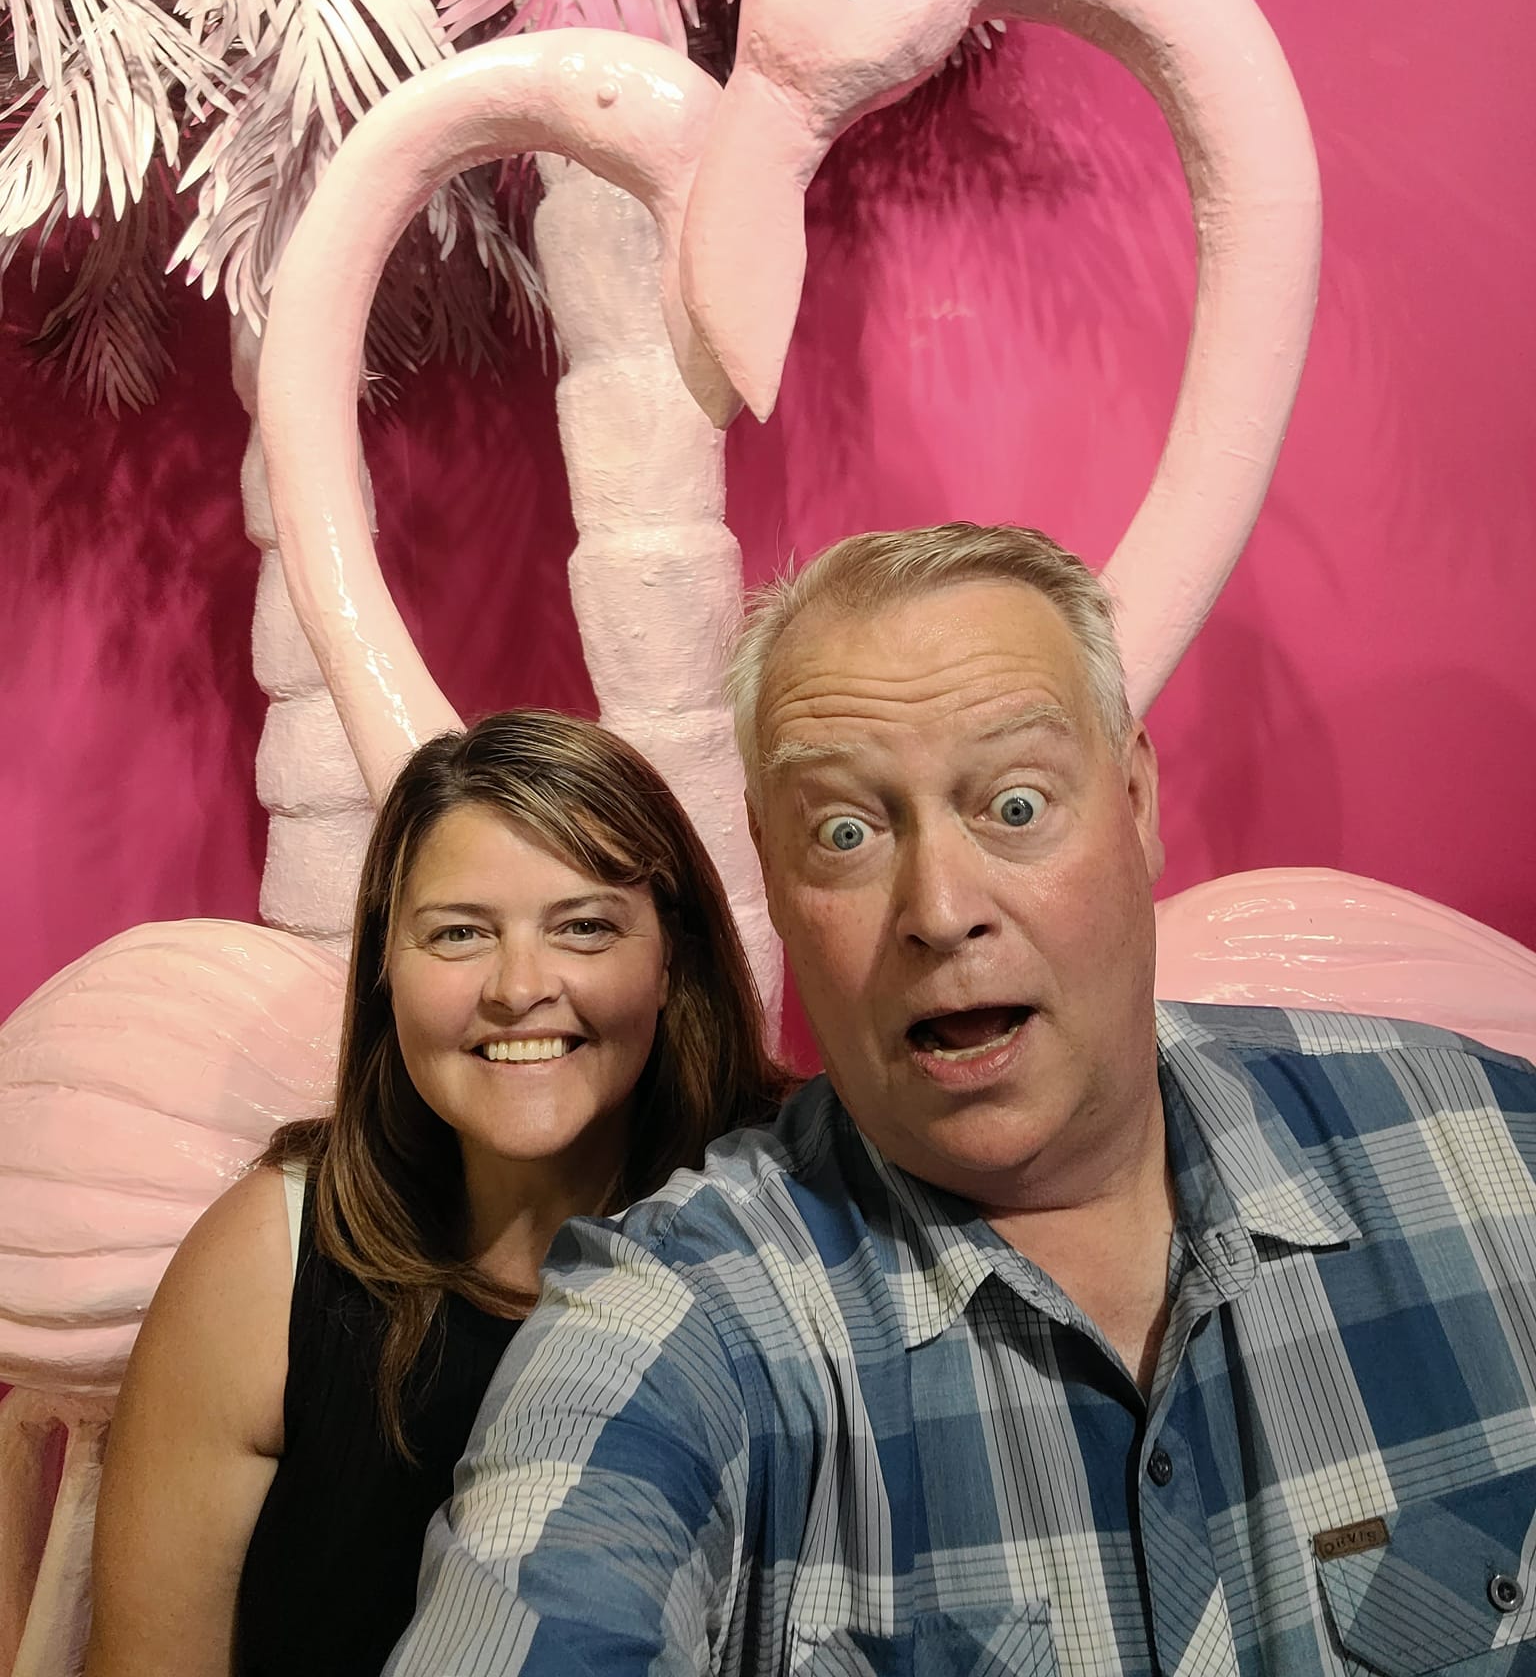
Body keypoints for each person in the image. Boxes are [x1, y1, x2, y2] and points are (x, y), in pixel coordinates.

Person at [390, 524, 1536, 1677]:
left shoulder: (1490, 1147)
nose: (939, 907)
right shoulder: (684, 1322)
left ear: (1136, 802)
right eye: (844, 831)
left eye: (1017, 804)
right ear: (772, 878)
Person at [86, 709, 785, 1677]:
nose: (518, 985)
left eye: (583, 925)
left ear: (673, 957)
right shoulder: (269, 1260)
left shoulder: (794, 1233)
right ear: (385, 966)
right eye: (459, 932)